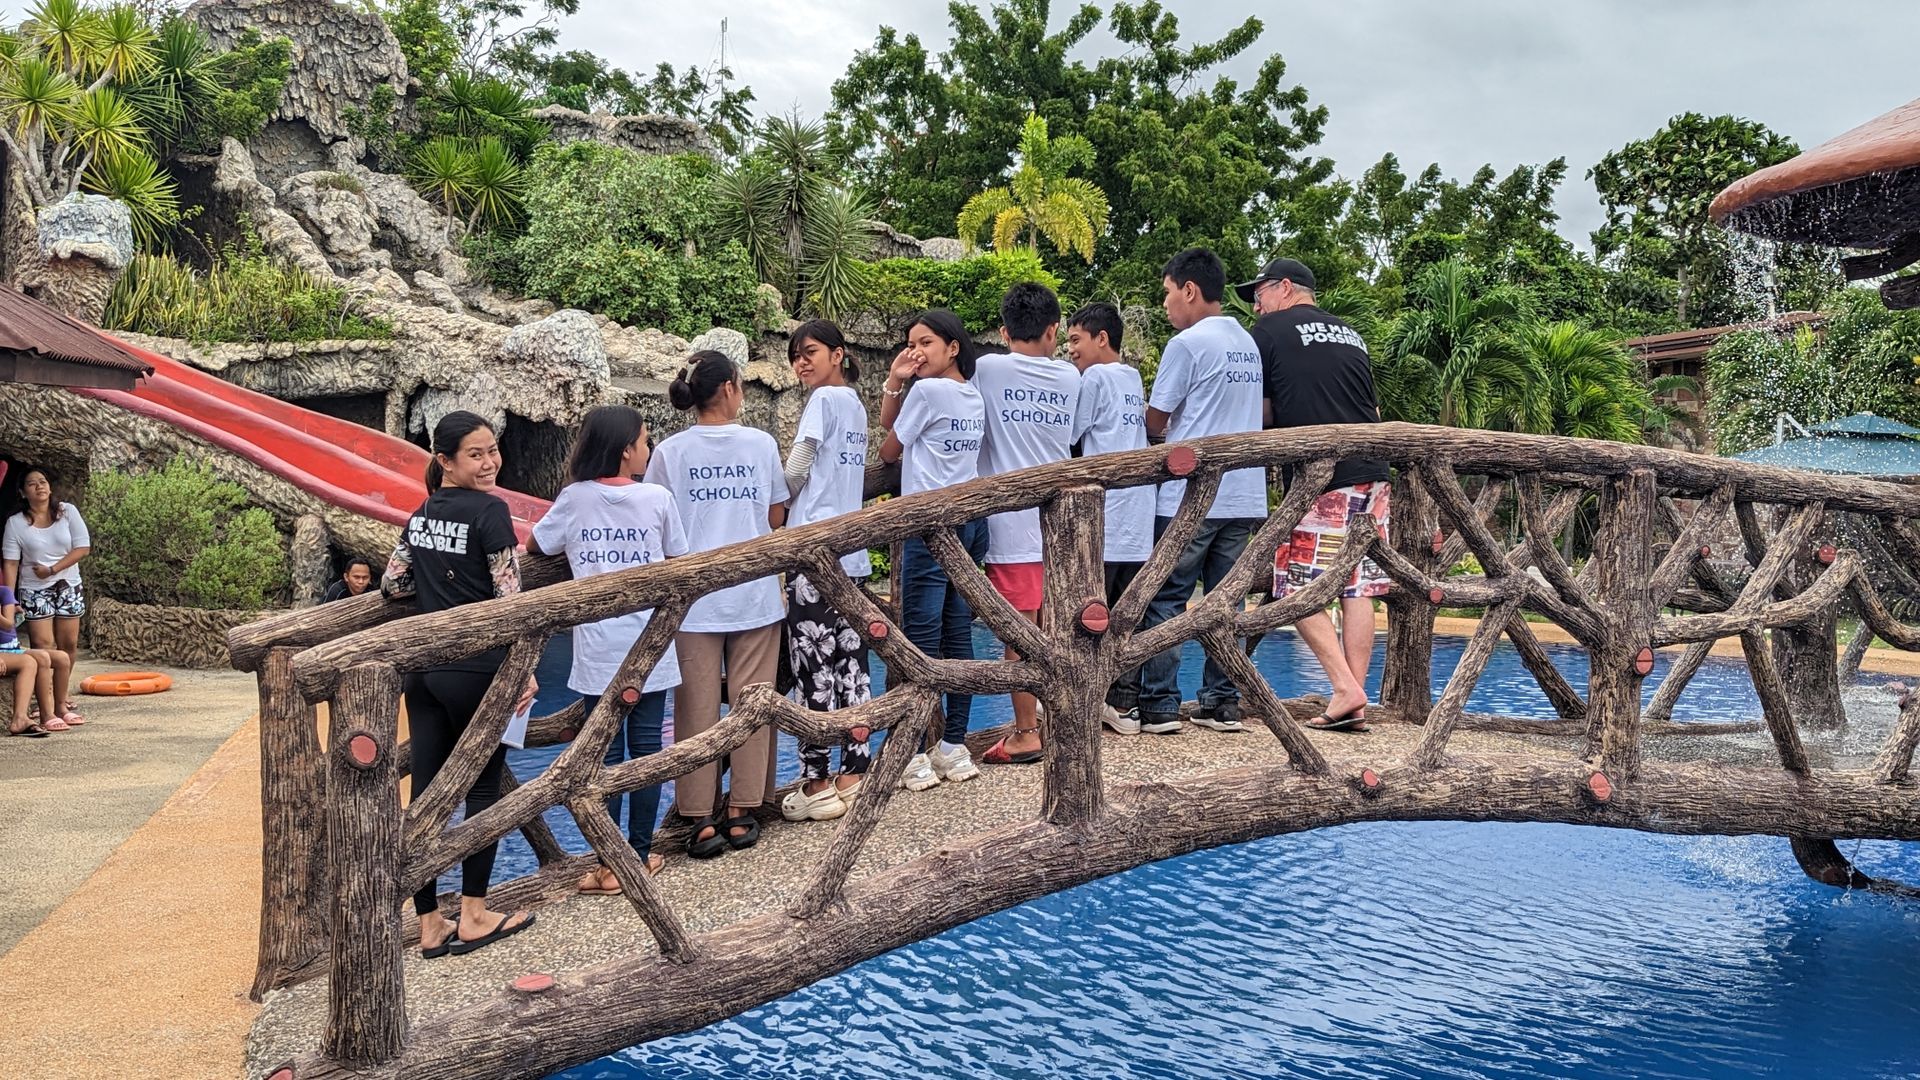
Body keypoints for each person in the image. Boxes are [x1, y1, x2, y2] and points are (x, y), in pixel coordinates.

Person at [381, 411, 537, 959]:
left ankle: (428, 923)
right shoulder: (492, 512)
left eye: (493, 450)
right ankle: (472, 913)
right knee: (482, 793)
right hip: (479, 671)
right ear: (444, 460)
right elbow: (511, 599)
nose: (490, 462)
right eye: (476, 454)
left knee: (426, 797)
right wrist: (524, 669)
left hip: (424, 672)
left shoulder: (421, 513)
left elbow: (392, 582)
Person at [529, 405, 687, 889]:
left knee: (605, 755)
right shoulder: (657, 498)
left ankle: (607, 861)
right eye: (643, 441)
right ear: (624, 451)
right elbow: (680, 556)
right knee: (644, 753)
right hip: (650, 645)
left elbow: (538, 546)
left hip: (599, 649)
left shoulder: (575, 498)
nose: (648, 448)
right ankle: (638, 856)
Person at [644, 351, 788, 858]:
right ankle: (743, 810)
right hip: (754, 590)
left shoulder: (669, 452)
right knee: (754, 703)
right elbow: (775, 515)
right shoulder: (761, 443)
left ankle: (699, 818)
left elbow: (656, 518)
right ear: (730, 387)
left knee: (694, 709)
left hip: (692, 599)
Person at [1239, 257, 1390, 730]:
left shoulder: (1270, 333)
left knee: (1296, 588)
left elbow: (1261, 411)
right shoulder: (1351, 333)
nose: (1256, 307)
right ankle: (1356, 699)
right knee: (1358, 585)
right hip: (1374, 469)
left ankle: (1344, 688)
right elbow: (1373, 403)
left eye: (1259, 294)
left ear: (1285, 288)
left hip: (1320, 477)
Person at [1136, 248, 1268, 735]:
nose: (1166, 304)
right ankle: (1221, 702)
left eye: (1168, 293)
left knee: (1166, 598)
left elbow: (1156, 420)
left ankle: (1160, 705)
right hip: (1245, 494)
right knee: (1226, 602)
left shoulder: (1188, 344)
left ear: (1189, 289)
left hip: (1189, 499)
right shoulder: (1245, 342)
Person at [972, 282, 1081, 765]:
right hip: (1062, 529)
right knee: (1059, 633)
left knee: (1019, 639)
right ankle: (1066, 721)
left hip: (1010, 529)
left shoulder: (988, 369)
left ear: (1003, 330)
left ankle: (1026, 733)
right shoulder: (1071, 378)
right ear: (1054, 330)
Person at [878, 309, 987, 789]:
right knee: (957, 634)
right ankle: (953, 746)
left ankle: (913, 752)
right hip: (966, 523)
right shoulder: (972, 395)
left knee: (920, 640)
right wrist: (896, 380)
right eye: (910, 343)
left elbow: (887, 451)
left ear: (953, 347)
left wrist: (897, 383)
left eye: (924, 343)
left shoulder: (927, 392)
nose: (915, 351)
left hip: (926, 527)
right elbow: (897, 429)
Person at [779, 320, 877, 822]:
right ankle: (855, 770)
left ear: (838, 354)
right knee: (851, 664)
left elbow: (799, 464)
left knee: (811, 665)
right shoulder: (857, 406)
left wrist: (780, 506)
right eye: (796, 355)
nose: (801, 362)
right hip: (852, 551)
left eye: (810, 352)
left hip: (815, 548)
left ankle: (816, 781)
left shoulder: (822, 401)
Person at [1066, 302, 1153, 735]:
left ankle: (1090, 699)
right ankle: (1126, 702)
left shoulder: (1095, 378)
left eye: (1076, 340)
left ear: (1102, 338)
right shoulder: (1132, 376)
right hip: (1136, 514)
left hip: (1106, 515)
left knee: (1091, 614)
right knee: (1126, 614)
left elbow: (1071, 435)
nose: (1071, 350)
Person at [2, 466, 88, 727]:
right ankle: (46, 703)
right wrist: (10, 598)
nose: (39, 486)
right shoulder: (15, 523)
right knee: (45, 646)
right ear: (22, 492)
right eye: (32, 483)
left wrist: (53, 569)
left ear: (50, 487)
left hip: (68, 584)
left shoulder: (67, 512)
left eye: (43, 481)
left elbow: (83, 547)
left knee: (68, 645)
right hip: (34, 589)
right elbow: (11, 564)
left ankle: (60, 699)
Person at [1, 584, 59, 737]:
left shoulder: (3, 592)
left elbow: (8, 624)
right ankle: (20, 719)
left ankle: (26, 717)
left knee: (31, 661)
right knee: (28, 662)